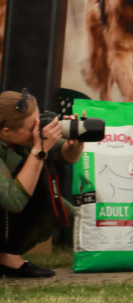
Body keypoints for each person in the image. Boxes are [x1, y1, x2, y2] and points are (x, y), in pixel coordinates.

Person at [0, 89, 85, 278]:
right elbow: (12, 201)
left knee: (51, 168)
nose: (38, 130)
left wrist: (76, 142)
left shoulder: (23, 137)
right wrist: (39, 150)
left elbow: (65, 156)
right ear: (6, 131)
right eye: (33, 127)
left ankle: (8, 256)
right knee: (37, 165)